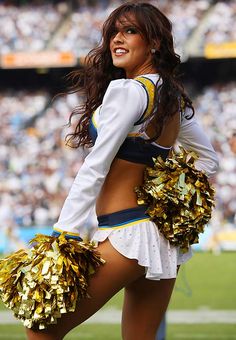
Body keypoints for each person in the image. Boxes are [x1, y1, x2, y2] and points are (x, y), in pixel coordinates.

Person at [25, 2, 218, 339]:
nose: (117, 38)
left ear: (154, 43)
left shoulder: (128, 91)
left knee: (41, 330)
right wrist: (166, 194)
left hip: (126, 235)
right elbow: (207, 160)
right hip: (161, 241)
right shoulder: (172, 97)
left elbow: (96, 165)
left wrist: (65, 232)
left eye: (130, 31)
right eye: (114, 31)